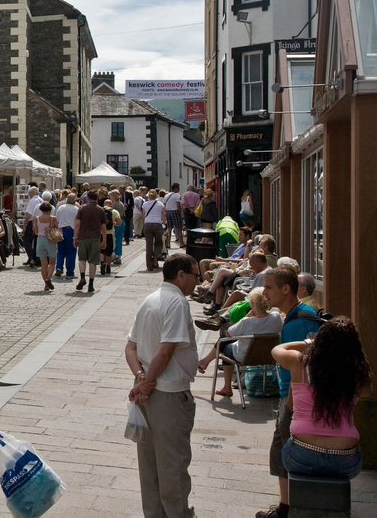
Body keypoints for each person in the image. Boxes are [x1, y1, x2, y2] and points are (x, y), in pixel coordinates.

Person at [125, 254, 200, 518]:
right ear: (181, 275)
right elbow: (167, 350)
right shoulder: (176, 302)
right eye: (195, 275)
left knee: (150, 465)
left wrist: (140, 376)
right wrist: (147, 380)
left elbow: (131, 347)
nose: (197, 281)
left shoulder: (150, 299)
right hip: (167, 393)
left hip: (148, 392)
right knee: (171, 466)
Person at [256, 266, 322, 518]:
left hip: (294, 399)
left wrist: (292, 409)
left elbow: (300, 369)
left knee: (289, 452)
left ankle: (292, 508)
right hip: (291, 396)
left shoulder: (298, 321)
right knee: (280, 451)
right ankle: (285, 507)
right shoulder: (298, 314)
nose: (264, 292)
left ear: (287, 289)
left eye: (269, 286)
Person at [271, 317, 371, 480]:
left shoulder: (300, 363)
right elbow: (367, 391)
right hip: (345, 460)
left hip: (301, 455)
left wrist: (309, 343)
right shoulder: (355, 374)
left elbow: (277, 350)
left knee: (285, 451)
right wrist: (354, 353)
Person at [197, 287, 283, 397]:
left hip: (245, 357)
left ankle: (226, 386)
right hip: (270, 356)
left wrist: (246, 317)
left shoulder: (247, 322)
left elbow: (229, 333)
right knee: (227, 342)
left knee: (224, 343)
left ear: (252, 303)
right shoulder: (276, 317)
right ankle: (204, 362)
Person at [74, 190, 107, 293]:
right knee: (93, 262)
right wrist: (104, 240)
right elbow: (103, 227)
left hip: (83, 237)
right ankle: (91, 285)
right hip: (95, 238)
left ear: (88, 198)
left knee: (82, 259)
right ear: (97, 198)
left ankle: (83, 277)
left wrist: (75, 237)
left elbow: (77, 224)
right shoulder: (100, 210)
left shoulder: (82, 209)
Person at [53, 193, 79, 280]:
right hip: (71, 231)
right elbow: (77, 223)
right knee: (71, 252)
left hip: (61, 229)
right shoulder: (76, 209)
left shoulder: (60, 208)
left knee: (60, 251)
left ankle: (59, 267)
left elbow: (56, 220)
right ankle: (70, 272)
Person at [34, 202, 58, 292]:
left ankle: (46, 285)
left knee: (43, 264)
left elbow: (35, 231)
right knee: (52, 262)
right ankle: (48, 278)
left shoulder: (37, 218)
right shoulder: (53, 218)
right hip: (50, 241)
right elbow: (57, 229)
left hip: (40, 241)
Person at [141, 190, 166, 271]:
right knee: (158, 242)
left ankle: (149, 265)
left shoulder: (145, 204)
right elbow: (163, 216)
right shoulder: (160, 204)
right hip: (157, 224)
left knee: (149, 244)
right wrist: (164, 223)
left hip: (148, 224)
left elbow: (144, 216)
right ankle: (155, 257)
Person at [109, 189, 127, 266]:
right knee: (119, 240)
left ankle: (113, 255)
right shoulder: (121, 203)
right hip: (122, 222)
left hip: (116, 222)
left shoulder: (113, 204)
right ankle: (118, 256)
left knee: (113, 240)